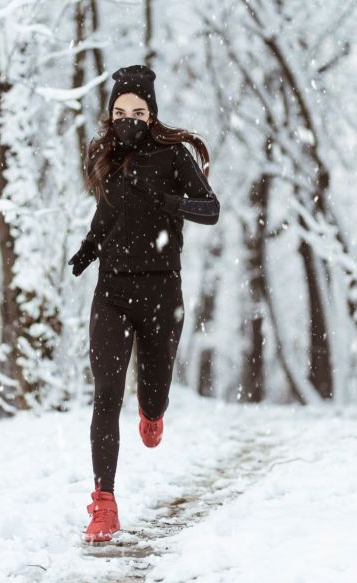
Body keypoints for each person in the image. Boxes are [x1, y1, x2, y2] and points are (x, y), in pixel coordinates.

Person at [67, 64, 220, 544]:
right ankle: (104, 504)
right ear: (110, 116)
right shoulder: (107, 157)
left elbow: (210, 209)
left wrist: (170, 202)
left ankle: (153, 412)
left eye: (137, 111)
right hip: (112, 293)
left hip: (160, 292)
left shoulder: (173, 156)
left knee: (151, 395)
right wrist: (89, 248)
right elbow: (107, 213)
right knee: (106, 393)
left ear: (151, 113)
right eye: (119, 111)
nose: (127, 119)